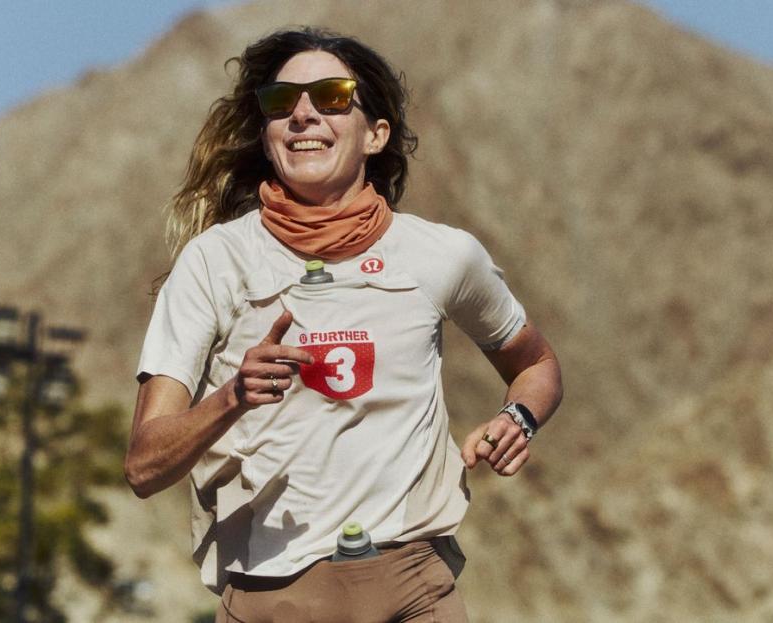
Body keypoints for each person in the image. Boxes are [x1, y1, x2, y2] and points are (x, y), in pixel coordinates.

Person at [125, 27, 562, 622]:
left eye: (331, 97)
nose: (303, 115)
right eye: (282, 103)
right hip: (271, 598)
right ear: (267, 131)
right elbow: (145, 465)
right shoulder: (213, 262)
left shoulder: (442, 255)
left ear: (375, 134)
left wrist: (520, 417)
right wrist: (232, 397)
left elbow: (536, 364)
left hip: (412, 588)